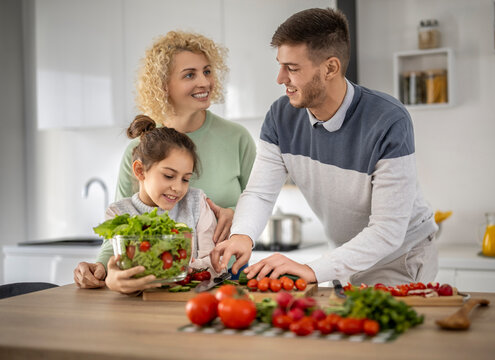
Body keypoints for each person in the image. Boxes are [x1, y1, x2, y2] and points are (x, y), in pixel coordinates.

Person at [210, 8, 439, 286]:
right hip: (346, 253)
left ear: (330, 68)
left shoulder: (388, 120)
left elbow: (388, 230)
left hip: (400, 255)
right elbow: (260, 192)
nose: (280, 78)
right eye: (280, 65)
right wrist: (242, 235)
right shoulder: (281, 116)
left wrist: (314, 270)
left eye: (292, 68)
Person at [74, 30, 256, 288]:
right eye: (189, 75)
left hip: (229, 272)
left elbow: (261, 206)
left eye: (207, 71)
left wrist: (236, 216)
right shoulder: (141, 149)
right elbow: (119, 230)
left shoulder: (237, 138)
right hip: (158, 280)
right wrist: (100, 269)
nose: (204, 82)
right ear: (163, 85)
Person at [104, 115, 224, 294]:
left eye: (185, 179)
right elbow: (121, 270)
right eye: (168, 176)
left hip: (189, 301)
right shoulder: (118, 213)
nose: (177, 188)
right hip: (138, 308)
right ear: (140, 171)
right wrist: (113, 279)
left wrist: (178, 270)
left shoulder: (196, 202)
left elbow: (215, 265)